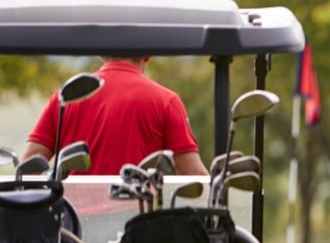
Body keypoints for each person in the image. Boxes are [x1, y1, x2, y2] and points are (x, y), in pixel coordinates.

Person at [22, 56, 207, 176]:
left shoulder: (66, 97)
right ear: (148, 55)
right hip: (135, 224)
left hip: (74, 224)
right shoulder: (166, 101)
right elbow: (194, 175)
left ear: (102, 54)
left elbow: (29, 165)